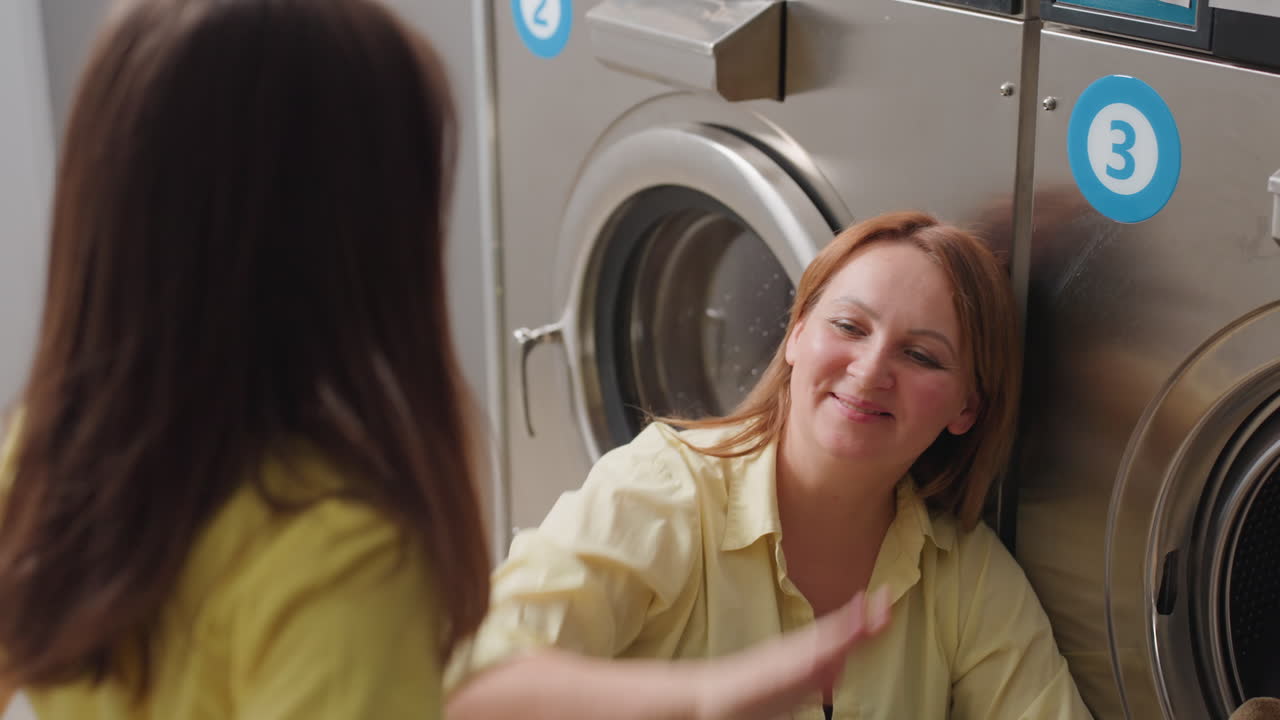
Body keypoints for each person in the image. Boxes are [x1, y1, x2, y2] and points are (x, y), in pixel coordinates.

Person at [0, 1, 889, 718]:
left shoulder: (51, 455)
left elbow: (455, 682)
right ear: (363, 240)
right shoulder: (342, 538)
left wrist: (703, 693)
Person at [446, 211, 1096, 720]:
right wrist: (709, 698)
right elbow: (471, 692)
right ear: (796, 335)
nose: (870, 372)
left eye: (921, 356)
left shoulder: (965, 575)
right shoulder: (660, 496)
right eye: (849, 326)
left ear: (965, 409)